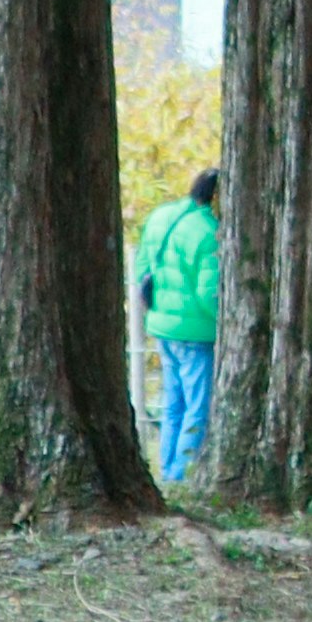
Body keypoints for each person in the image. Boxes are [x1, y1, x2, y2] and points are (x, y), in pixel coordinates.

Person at [135, 167, 224, 487]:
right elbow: (208, 293)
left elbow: (142, 267)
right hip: (196, 332)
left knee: (174, 402)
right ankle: (183, 476)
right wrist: (226, 325)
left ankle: (167, 471)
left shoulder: (162, 216)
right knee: (198, 407)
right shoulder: (209, 232)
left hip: (161, 325)